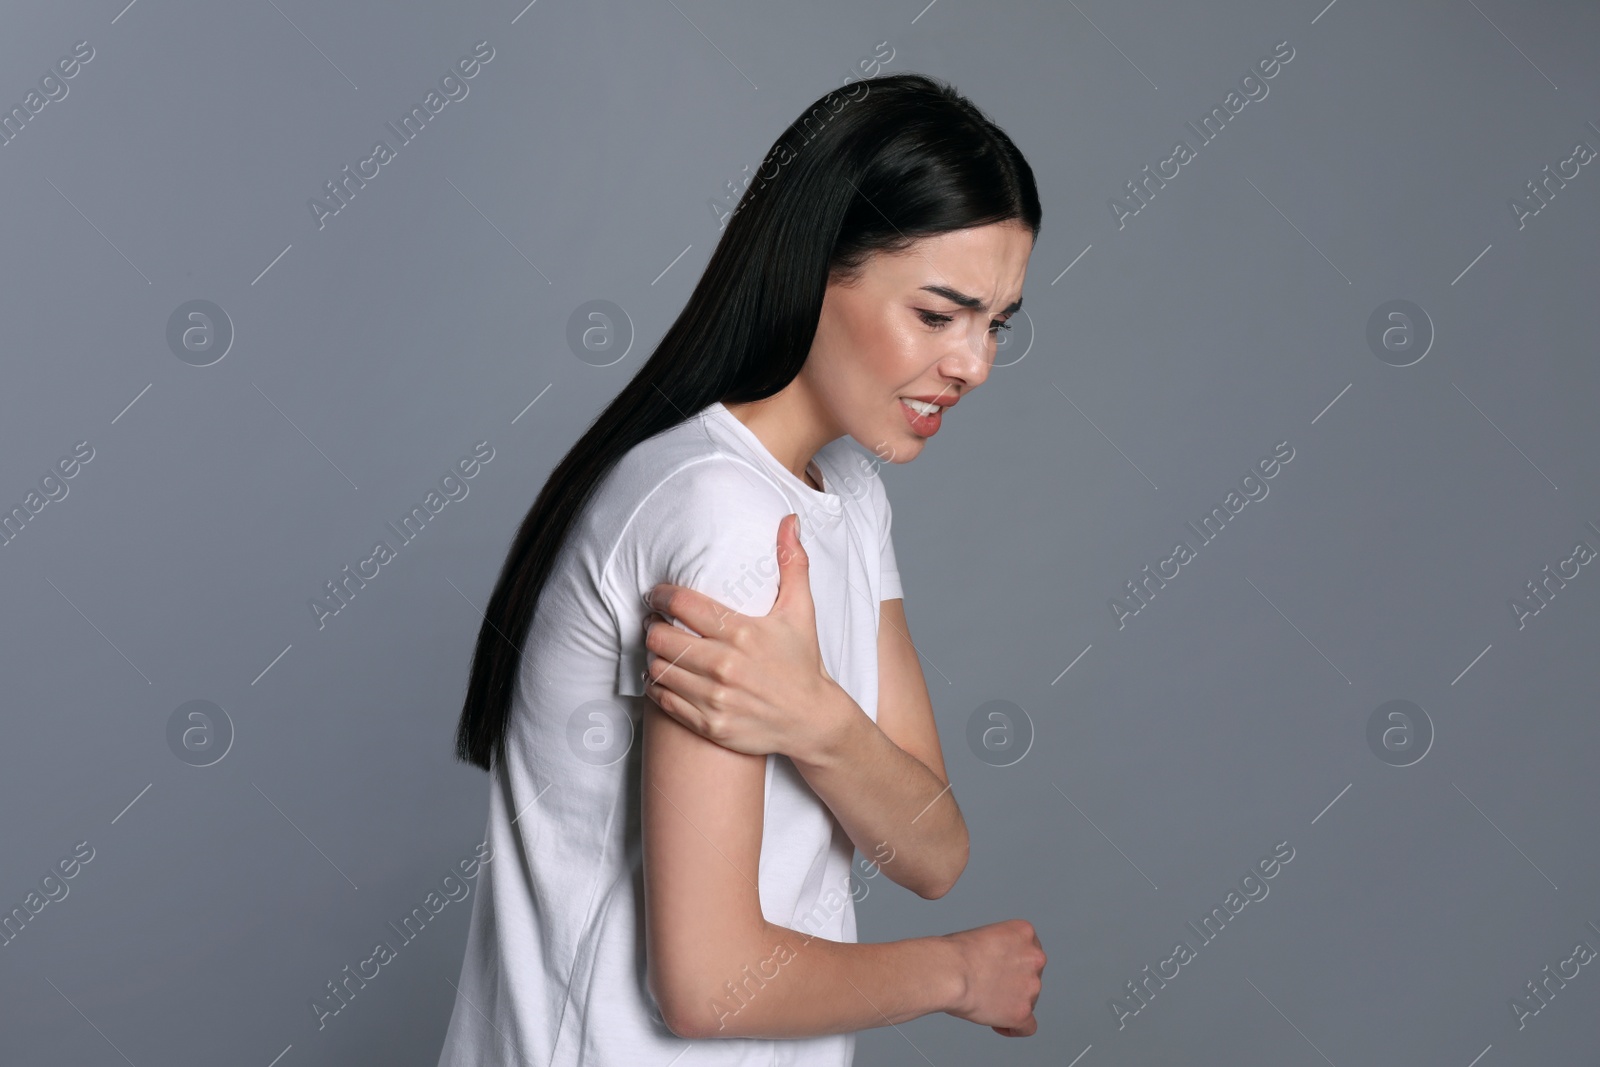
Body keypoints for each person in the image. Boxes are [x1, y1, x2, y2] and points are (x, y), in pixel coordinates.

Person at [437, 71, 1046, 1066]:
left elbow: (931, 847)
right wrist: (957, 973)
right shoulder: (722, 515)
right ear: (815, 270)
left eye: (997, 323)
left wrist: (817, 720)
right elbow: (710, 981)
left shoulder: (844, 492)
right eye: (940, 314)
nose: (974, 362)